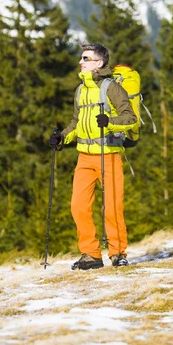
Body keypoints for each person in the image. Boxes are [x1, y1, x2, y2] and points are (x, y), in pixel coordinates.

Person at [49, 42, 137, 270]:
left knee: (113, 207)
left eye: (86, 58)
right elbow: (77, 123)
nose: (81, 61)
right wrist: (63, 138)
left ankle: (118, 254)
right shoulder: (81, 90)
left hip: (108, 155)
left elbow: (130, 118)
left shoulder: (111, 88)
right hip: (85, 158)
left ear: (99, 63)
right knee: (78, 206)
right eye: (81, 58)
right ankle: (90, 254)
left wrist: (109, 124)